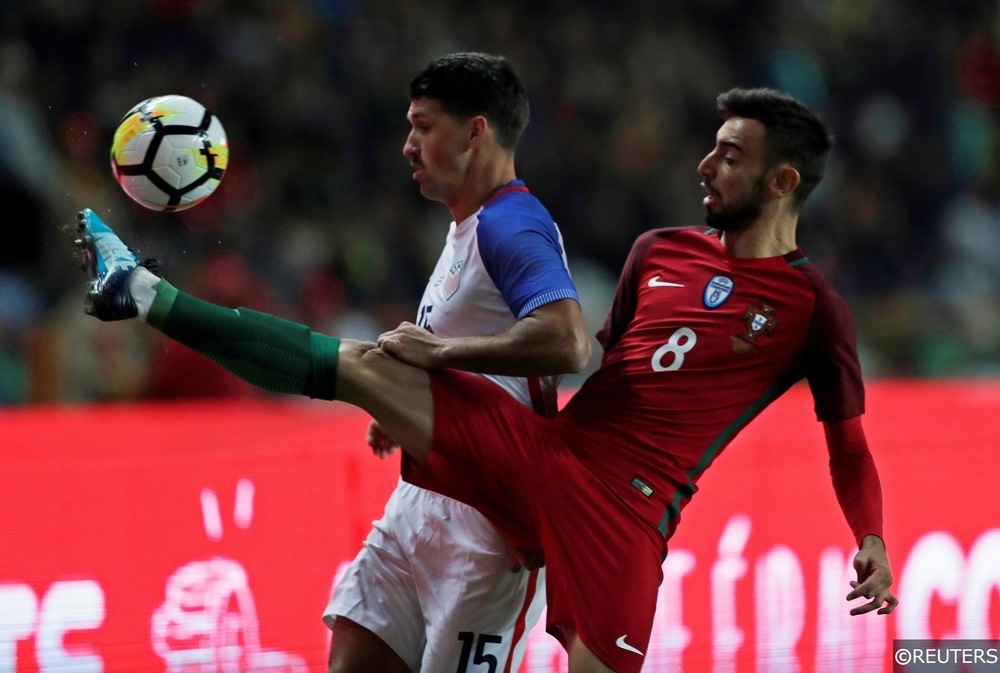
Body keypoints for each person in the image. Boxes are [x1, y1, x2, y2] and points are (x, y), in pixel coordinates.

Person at [76, 86, 898, 673]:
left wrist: (869, 536)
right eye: (712, 145)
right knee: (371, 365)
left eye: (729, 154)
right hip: (548, 454)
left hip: (628, 514)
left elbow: (850, 445)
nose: (704, 163)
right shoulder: (658, 249)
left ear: (782, 181)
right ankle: (145, 293)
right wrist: (437, 414)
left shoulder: (812, 306)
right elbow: (591, 368)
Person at [322, 52, 590, 673]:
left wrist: (440, 352)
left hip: (487, 528)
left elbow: (568, 340)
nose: (409, 145)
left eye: (423, 125)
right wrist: (414, 400)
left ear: (476, 132)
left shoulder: (511, 224)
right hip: (420, 501)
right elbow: (483, 361)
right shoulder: (467, 226)